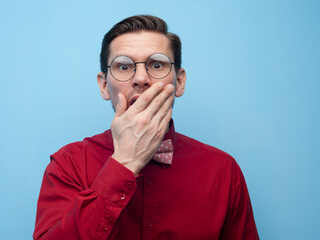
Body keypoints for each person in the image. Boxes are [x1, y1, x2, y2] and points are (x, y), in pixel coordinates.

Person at [33, 15, 259, 240]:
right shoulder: (68, 165)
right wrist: (123, 163)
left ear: (179, 82)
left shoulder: (223, 170)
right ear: (104, 86)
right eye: (123, 66)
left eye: (157, 64)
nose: (141, 78)